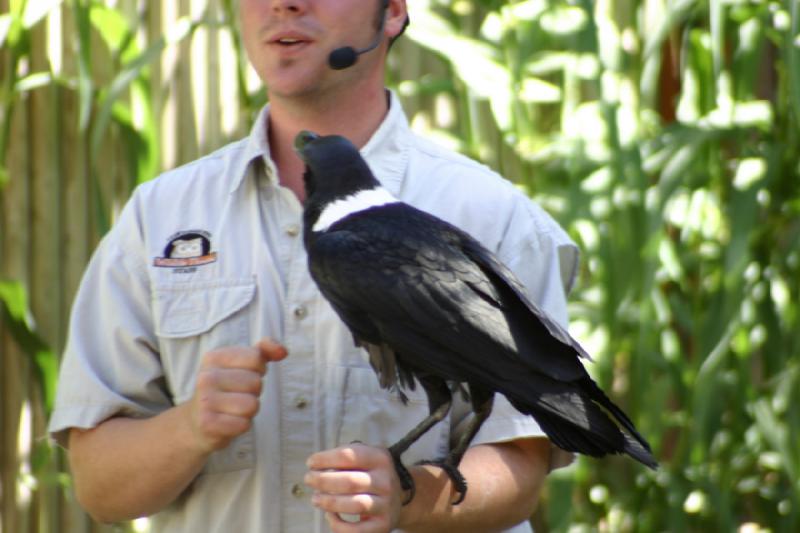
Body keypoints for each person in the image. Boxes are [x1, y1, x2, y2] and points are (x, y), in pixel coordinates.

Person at [48, 0, 578, 531]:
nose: (284, 4)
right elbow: (99, 489)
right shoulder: (158, 218)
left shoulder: (491, 215)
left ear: (392, 13)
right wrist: (188, 428)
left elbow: (520, 468)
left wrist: (406, 498)